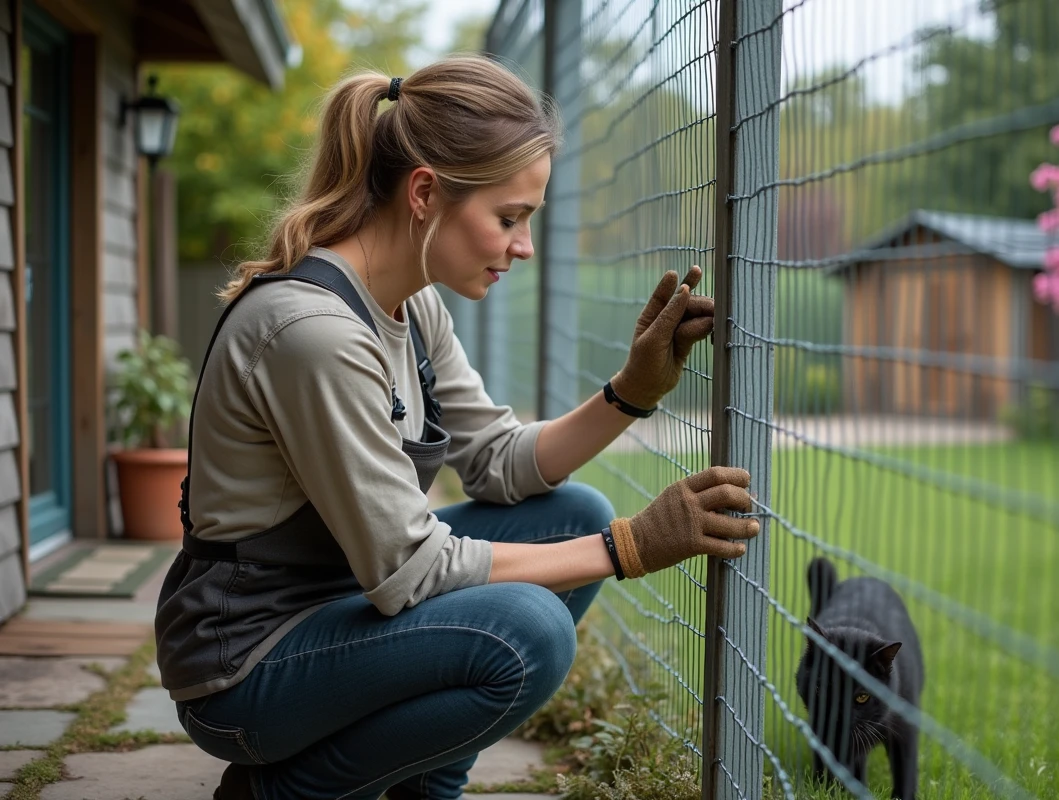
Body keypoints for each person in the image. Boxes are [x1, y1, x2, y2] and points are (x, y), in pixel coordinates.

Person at [154, 55, 760, 800]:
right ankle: (283, 792)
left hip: (339, 613)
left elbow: (500, 464)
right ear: (425, 193)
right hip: (244, 669)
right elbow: (408, 570)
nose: (523, 246)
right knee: (529, 630)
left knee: (571, 513)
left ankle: (420, 786)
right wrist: (628, 549)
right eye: (508, 219)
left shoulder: (415, 305)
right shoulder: (311, 334)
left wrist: (631, 392)